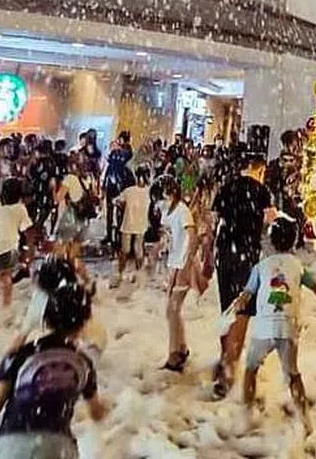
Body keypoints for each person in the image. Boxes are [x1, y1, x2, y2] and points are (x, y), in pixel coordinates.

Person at [0, 264, 106, 459]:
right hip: (59, 449)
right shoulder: (83, 363)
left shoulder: (24, 355)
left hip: (13, 446)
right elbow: (97, 412)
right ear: (83, 325)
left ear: (46, 320)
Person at [231, 215, 316, 429]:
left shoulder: (261, 267)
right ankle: (305, 420)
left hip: (264, 327)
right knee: (292, 374)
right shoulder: (297, 267)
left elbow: (246, 294)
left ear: (270, 242)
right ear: (293, 241)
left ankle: (246, 416)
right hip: (288, 327)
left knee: (251, 368)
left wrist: (238, 303)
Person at [210, 151, 273, 397]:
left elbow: (214, 223)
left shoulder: (227, 188)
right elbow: (270, 225)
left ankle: (224, 357)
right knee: (243, 312)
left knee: (227, 308)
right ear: (259, 169)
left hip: (224, 252)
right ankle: (229, 367)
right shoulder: (261, 192)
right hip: (247, 255)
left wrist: (207, 255)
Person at [160, 176, 203, 372]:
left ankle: (174, 354)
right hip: (175, 263)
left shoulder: (182, 211)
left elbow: (193, 236)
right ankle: (181, 348)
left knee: (172, 309)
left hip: (182, 263)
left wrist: (187, 261)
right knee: (173, 310)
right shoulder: (171, 210)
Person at [0, 180, 31, 313]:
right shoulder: (20, 209)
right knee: (6, 276)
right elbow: (25, 230)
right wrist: (26, 251)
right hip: (9, 247)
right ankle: (6, 306)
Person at [53, 157, 92, 284]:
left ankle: (65, 282)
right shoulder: (87, 178)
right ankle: (86, 281)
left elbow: (58, 199)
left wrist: (53, 188)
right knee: (73, 256)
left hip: (71, 218)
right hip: (84, 220)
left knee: (59, 253)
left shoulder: (69, 179)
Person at [111, 166, 151, 288]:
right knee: (131, 251)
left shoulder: (131, 191)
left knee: (132, 251)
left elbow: (116, 201)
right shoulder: (137, 191)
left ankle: (128, 274)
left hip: (133, 224)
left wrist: (121, 207)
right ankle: (128, 274)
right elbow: (117, 201)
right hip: (134, 224)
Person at [102, 131, 133, 252]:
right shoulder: (116, 152)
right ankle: (110, 236)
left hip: (121, 186)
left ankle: (118, 237)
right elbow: (110, 168)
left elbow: (120, 163)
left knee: (120, 213)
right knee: (111, 211)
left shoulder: (126, 152)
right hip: (113, 184)